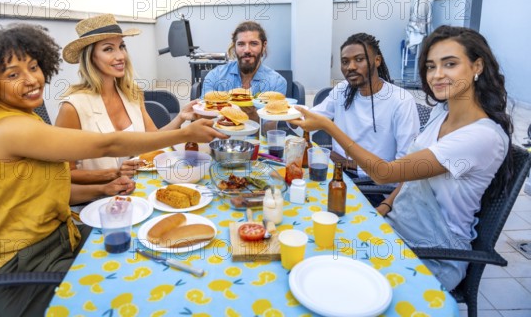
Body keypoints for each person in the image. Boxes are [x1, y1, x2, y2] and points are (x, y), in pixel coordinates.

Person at [0, 24, 226, 317]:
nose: (32, 79)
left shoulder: (26, 120)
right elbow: (106, 145)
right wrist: (181, 134)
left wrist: (104, 186)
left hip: (63, 240)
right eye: (12, 75)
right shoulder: (8, 129)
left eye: (34, 67)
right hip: (29, 273)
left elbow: (50, 188)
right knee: (143, 288)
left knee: (152, 250)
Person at [291, 25, 512, 291]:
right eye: (431, 67)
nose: (437, 75)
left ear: (477, 66)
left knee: (330, 277)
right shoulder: (440, 115)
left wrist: (330, 127)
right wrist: (384, 208)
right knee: (313, 248)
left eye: (450, 64)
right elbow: (411, 176)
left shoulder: (479, 137)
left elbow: (387, 173)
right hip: (398, 227)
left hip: (434, 252)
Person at [55, 14, 198, 200]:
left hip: (140, 192)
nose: (120, 56)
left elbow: (153, 139)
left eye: (122, 46)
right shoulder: (72, 107)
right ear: (90, 57)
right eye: (108, 49)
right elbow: (63, 174)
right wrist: (113, 174)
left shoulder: (132, 93)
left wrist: (180, 117)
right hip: (99, 201)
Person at [311, 33, 419, 180]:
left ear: (377, 60)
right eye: (345, 61)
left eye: (359, 59)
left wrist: (348, 163)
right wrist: (282, 113)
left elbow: (404, 166)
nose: (351, 67)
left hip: (375, 183)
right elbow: (313, 117)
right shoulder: (343, 89)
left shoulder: (401, 101)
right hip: (337, 174)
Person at [201, 21, 287, 121]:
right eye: (241, 44)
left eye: (254, 43)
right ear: (234, 47)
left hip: (257, 136)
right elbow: (201, 117)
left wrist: (252, 114)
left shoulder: (276, 82)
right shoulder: (215, 76)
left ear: (264, 46)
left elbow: (270, 130)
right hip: (220, 135)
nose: (247, 50)